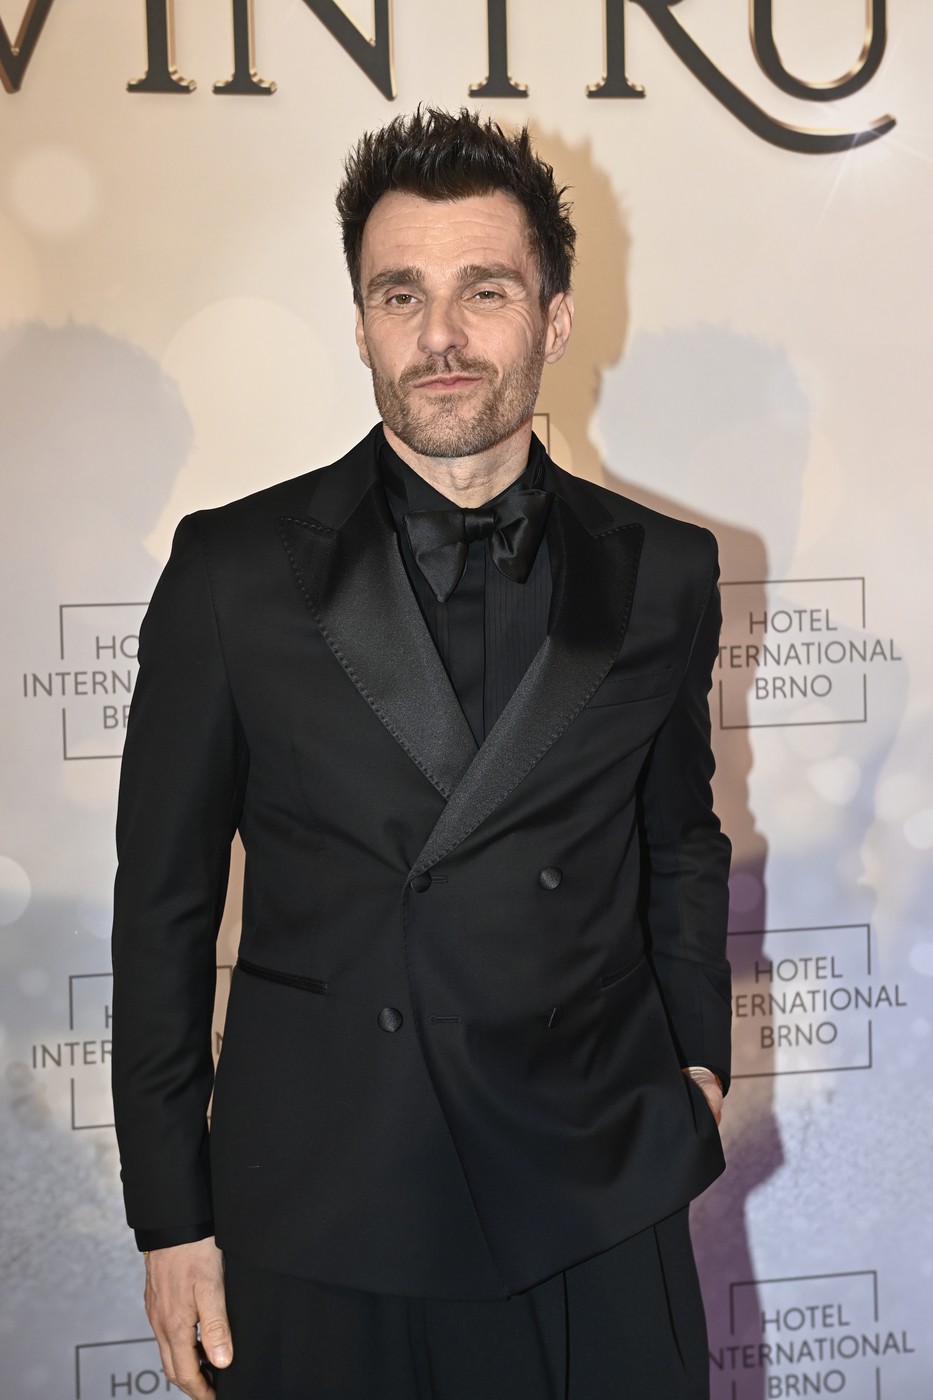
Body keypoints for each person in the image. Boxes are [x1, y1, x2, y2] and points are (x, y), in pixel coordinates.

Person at [111, 107, 732, 1400]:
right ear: (360, 324)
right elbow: (162, 912)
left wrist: (698, 1063)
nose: (439, 336)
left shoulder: (663, 571)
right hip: (325, 1203)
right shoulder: (233, 572)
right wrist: (171, 1216)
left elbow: (679, 837)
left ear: (553, 320)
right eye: (401, 295)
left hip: (594, 1192)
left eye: (483, 292)